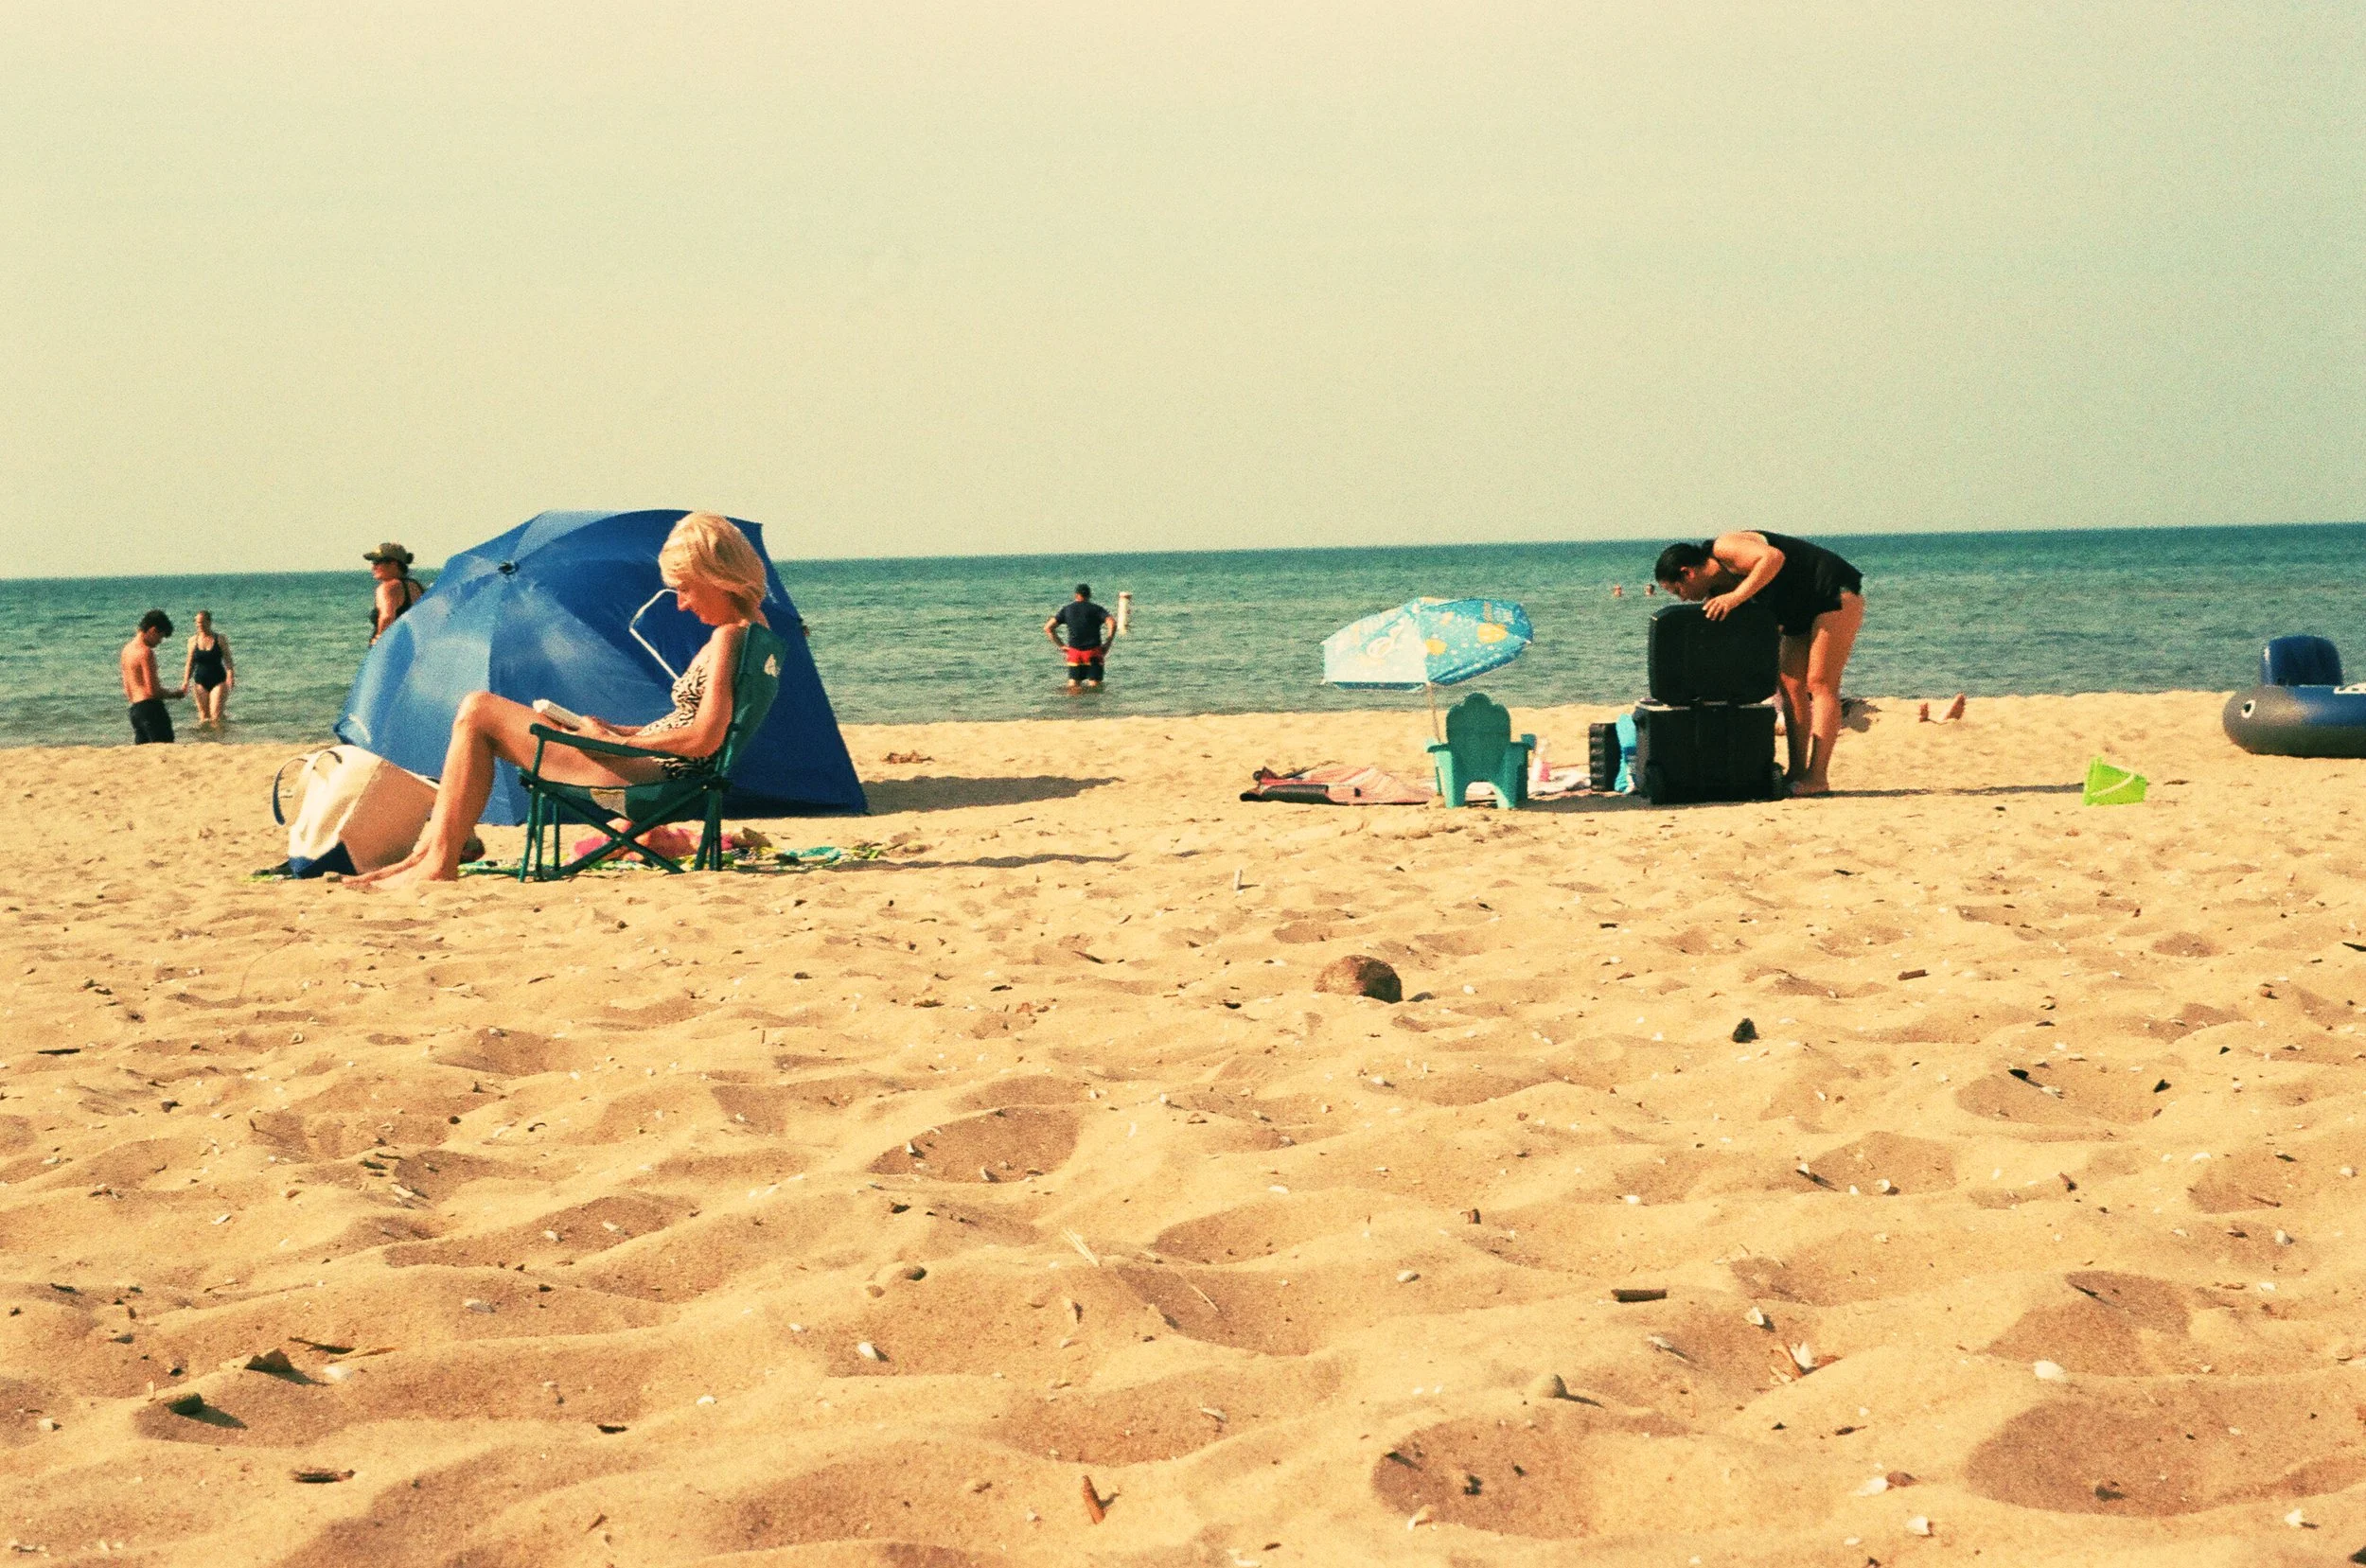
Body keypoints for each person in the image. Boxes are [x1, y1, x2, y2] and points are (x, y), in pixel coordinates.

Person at [351, 513, 768, 888]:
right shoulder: (758, 635)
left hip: (651, 777)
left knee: (478, 710)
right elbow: (692, 725)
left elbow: (704, 738)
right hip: (656, 767)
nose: (681, 603)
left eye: (685, 589)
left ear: (717, 577)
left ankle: (437, 859)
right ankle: (429, 855)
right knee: (486, 713)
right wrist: (614, 731)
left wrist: (620, 745)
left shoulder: (729, 637)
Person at [1655, 531, 1864, 796]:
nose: (1682, 598)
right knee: (1789, 684)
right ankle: (1798, 772)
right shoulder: (1718, 590)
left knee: (1820, 682)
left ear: (1688, 573)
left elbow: (1772, 558)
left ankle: (1818, 776)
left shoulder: (1724, 548)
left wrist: (1735, 598)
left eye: (1677, 590)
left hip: (1831, 589)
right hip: (1796, 610)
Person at [120, 609, 184, 745]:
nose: (159, 642)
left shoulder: (126, 650)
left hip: (135, 710)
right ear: (153, 630)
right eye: (160, 637)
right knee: (165, 749)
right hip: (151, 710)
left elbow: (127, 688)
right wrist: (175, 694)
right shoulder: (146, 652)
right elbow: (153, 691)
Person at [1044, 583, 1113, 691]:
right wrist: (1108, 642)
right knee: (1095, 689)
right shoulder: (1096, 609)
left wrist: (1061, 646)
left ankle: (1074, 707)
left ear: (1076, 595)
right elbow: (1112, 623)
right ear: (1090, 595)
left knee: (1073, 687)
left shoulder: (1067, 609)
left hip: (1075, 653)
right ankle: (1094, 707)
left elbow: (1048, 628)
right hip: (1093, 652)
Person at [181, 610, 235, 727]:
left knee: (215, 715)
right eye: (197, 622)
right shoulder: (192, 641)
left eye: (201, 622)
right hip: (200, 681)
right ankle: (205, 739)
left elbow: (228, 660)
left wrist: (230, 675)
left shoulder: (220, 639)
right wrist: (185, 681)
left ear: (209, 622)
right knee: (204, 716)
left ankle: (219, 738)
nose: (199, 625)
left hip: (218, 680)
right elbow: (190, 663)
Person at [366, 542, 423, 644]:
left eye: (377, 562)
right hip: (413, 648)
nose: (373, 567)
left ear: (393, 564)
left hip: (393, 651)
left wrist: (379, 639)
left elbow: (387, 617)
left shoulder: (388, 587)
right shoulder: (415, 586)